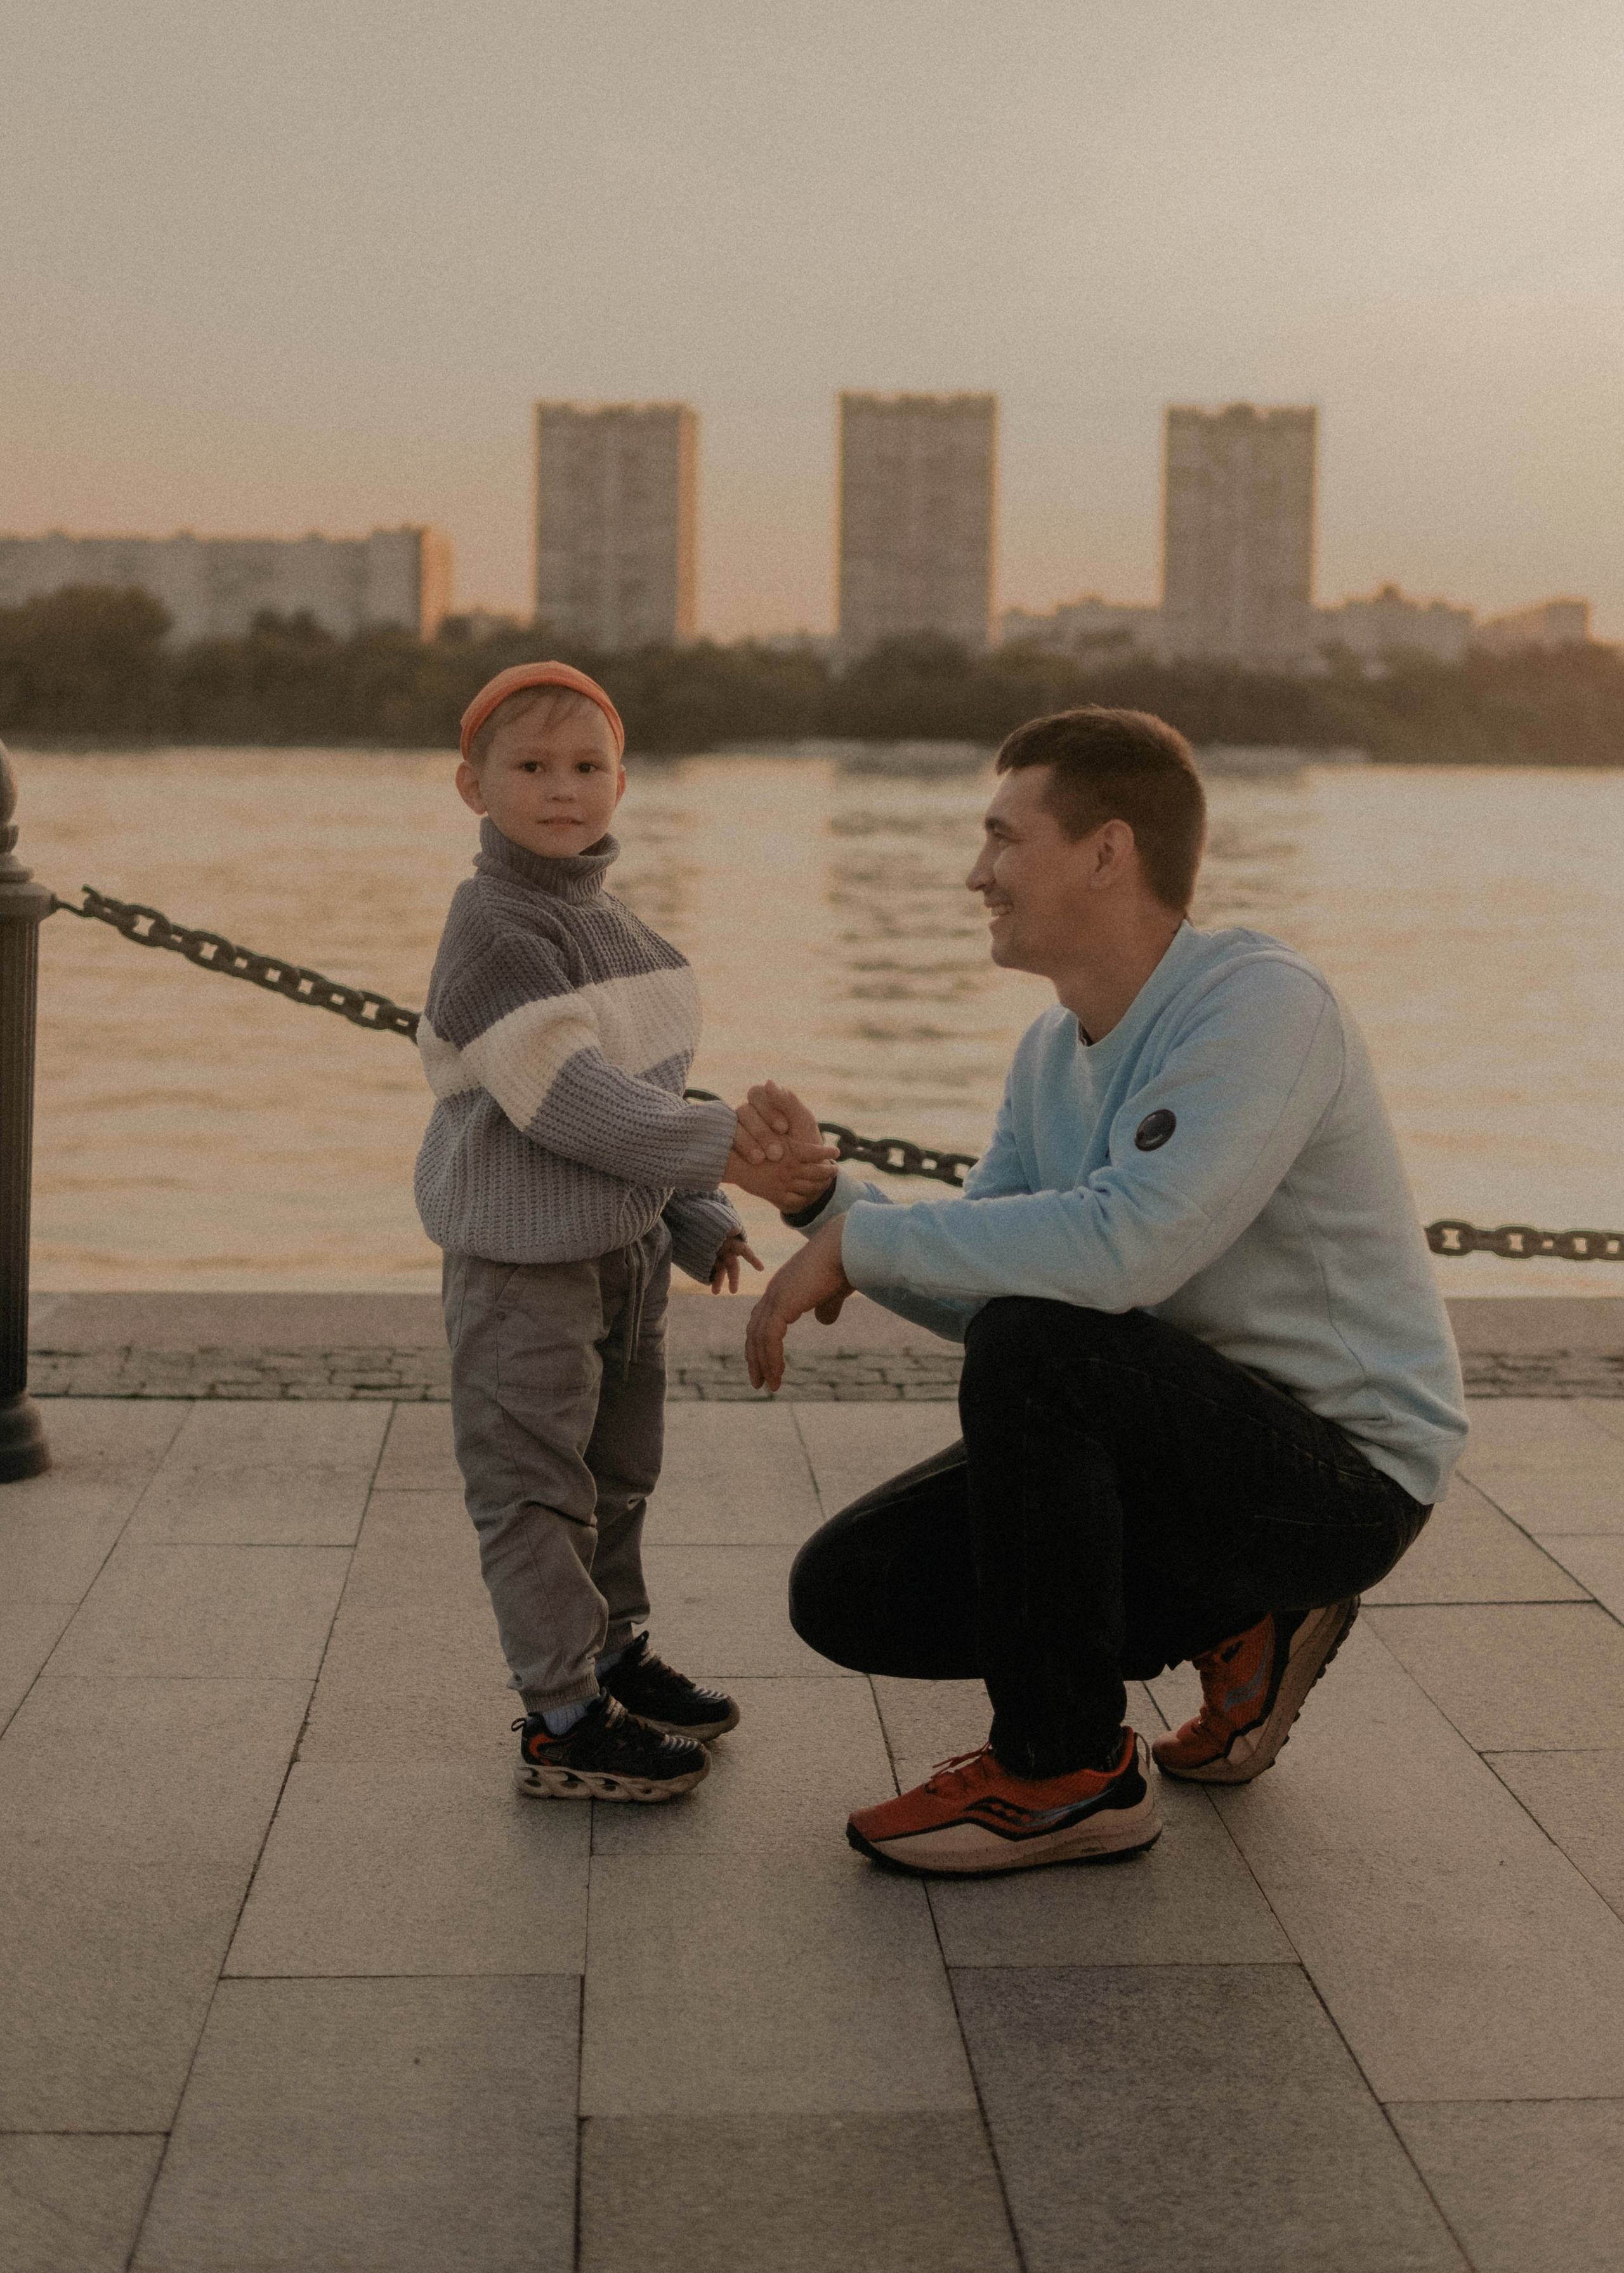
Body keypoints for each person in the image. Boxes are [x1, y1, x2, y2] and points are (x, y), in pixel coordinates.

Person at [742, 706, 1467, 1877]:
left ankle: (1068, 1770)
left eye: (1000, 839)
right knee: (847, 1591)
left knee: (1045, 1346)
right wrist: (829, 1206)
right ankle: (1245, 1619)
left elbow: (1130, 1254)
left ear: (1105, 852)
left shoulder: (1262, 1007)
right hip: (1178, 1446)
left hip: (1343, 1472)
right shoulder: (1050, 1051)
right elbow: (984, 1274)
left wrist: (865, 1247)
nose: (975, 874)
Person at [416, 660, 834, 1806]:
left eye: (587, 767)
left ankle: (612, 1653)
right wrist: (728, 1153)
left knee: (618, 1470)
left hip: (624, 1255)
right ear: (474, 786)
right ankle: (560, 1714)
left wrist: (698, 1216)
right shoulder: (494, 928)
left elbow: (643, 1088)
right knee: (534, 1485)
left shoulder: (620, 932)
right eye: (532, 768)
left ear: (622, 782)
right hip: (523, 1267)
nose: (564, 790)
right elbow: (574, 1103)